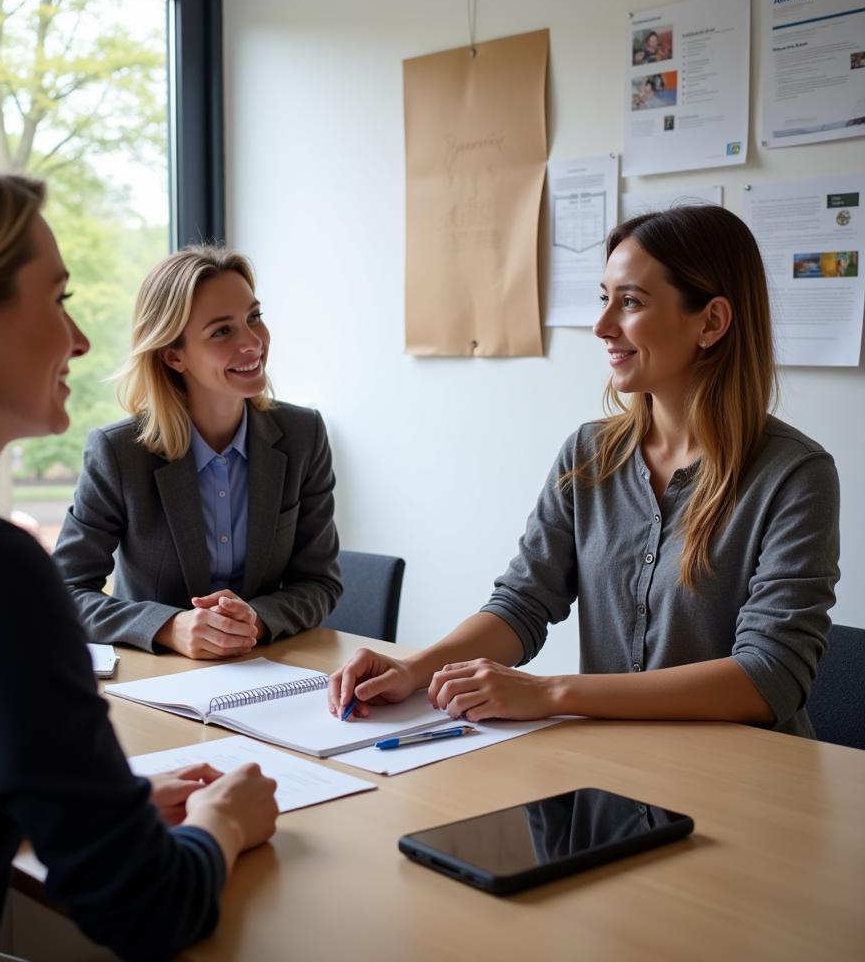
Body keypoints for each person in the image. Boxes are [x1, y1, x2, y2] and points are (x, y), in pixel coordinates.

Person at [0, 147, 279, 958]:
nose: (79, 340)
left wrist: (109, 803)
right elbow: (147, 909)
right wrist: (224, 821)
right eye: (59, 298)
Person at [329, 205, 839, 739]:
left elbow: (769, 678)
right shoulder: (589, 453)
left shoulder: (796, 475)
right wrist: (414, 669)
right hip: (609, 773)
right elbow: (523, 603)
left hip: (746, 786)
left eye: (631, 302)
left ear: (710, 321)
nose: (601, 326)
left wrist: (551, 693)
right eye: (604, 299)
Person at [53, 245, 341, 658]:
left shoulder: (303, 435)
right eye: (222, 331)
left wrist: (255, 620)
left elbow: (320, 582)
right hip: (157, 681)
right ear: (173, 355)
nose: (252, 343)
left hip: (268, 671)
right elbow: (65, 590)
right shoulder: (119, 453)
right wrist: (169, 627)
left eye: (254, 318)